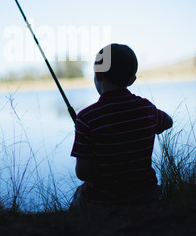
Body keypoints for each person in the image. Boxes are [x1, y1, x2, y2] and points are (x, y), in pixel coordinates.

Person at [70, 43, 173, 209]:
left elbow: (82, 174)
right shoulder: (147, 109)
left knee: (78, 194)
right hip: (146, 195)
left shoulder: (85, 118)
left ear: (98, 74)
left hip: (102, 201)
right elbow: (168, 122)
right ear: (132, 80)